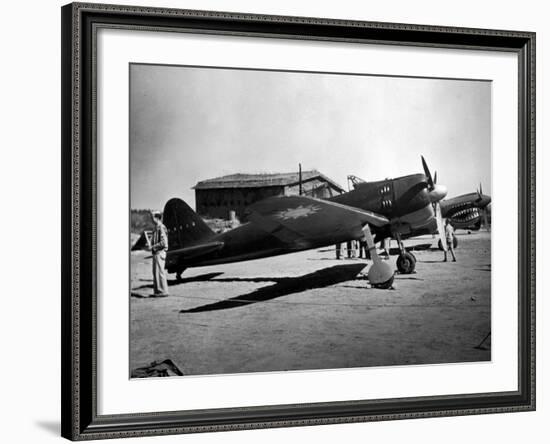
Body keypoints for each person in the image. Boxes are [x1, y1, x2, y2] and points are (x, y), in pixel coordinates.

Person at [149, 211, 169, 296]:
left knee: (160, 272)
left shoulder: (161, 227)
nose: (151, 219)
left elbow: (164, 242)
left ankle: (163, 291)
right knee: (156, 272)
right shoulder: (156, 227)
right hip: (157, 252)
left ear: (157, 218)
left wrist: (153, 246)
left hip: (160, 252)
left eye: (152, 217)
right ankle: (158, 291)